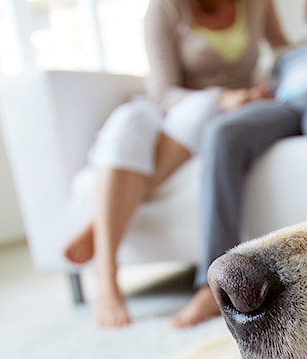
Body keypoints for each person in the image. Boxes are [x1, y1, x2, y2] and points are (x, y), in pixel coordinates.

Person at [64, 0, 287, 328]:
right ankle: (106, 278)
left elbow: (284, 51)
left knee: (206, 114)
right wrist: (220, 97)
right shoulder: (165, 9)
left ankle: (101, 222)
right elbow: (162, 91)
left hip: (228, 112)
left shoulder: (257, 4)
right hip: (175, 109)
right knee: (128, 120)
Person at [172, 0, 307, 327]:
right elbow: (272, 88)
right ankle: (209, 283)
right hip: (285, 104)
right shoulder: (291, 52)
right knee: (222, 131)